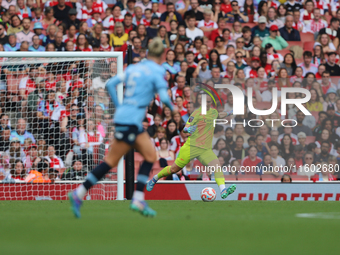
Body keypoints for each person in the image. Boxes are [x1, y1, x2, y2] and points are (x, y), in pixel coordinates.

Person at [68, 38, 174, 218]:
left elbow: (110, 84)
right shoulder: (157, 71)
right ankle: (137, 199)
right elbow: (164, 97)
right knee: (145, 157)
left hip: (123, 118)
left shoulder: (134, 67)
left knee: (115, 161)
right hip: (131, 122)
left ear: (148, 52)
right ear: (164, 54)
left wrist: (119, 105)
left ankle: (79, 194)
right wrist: (173, 108)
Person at [146, 95, 236, 199]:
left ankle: (223, 190)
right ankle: (155, 178)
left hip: (205, 150)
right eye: (205, 102)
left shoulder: (213, 112)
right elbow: (185, 128)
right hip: (191, 147)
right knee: (174, 169)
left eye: (208, 102)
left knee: (217, 166)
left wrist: (231, 112)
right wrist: (188, 130)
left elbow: (221, 114)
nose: (207, 104)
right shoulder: (196, 114)